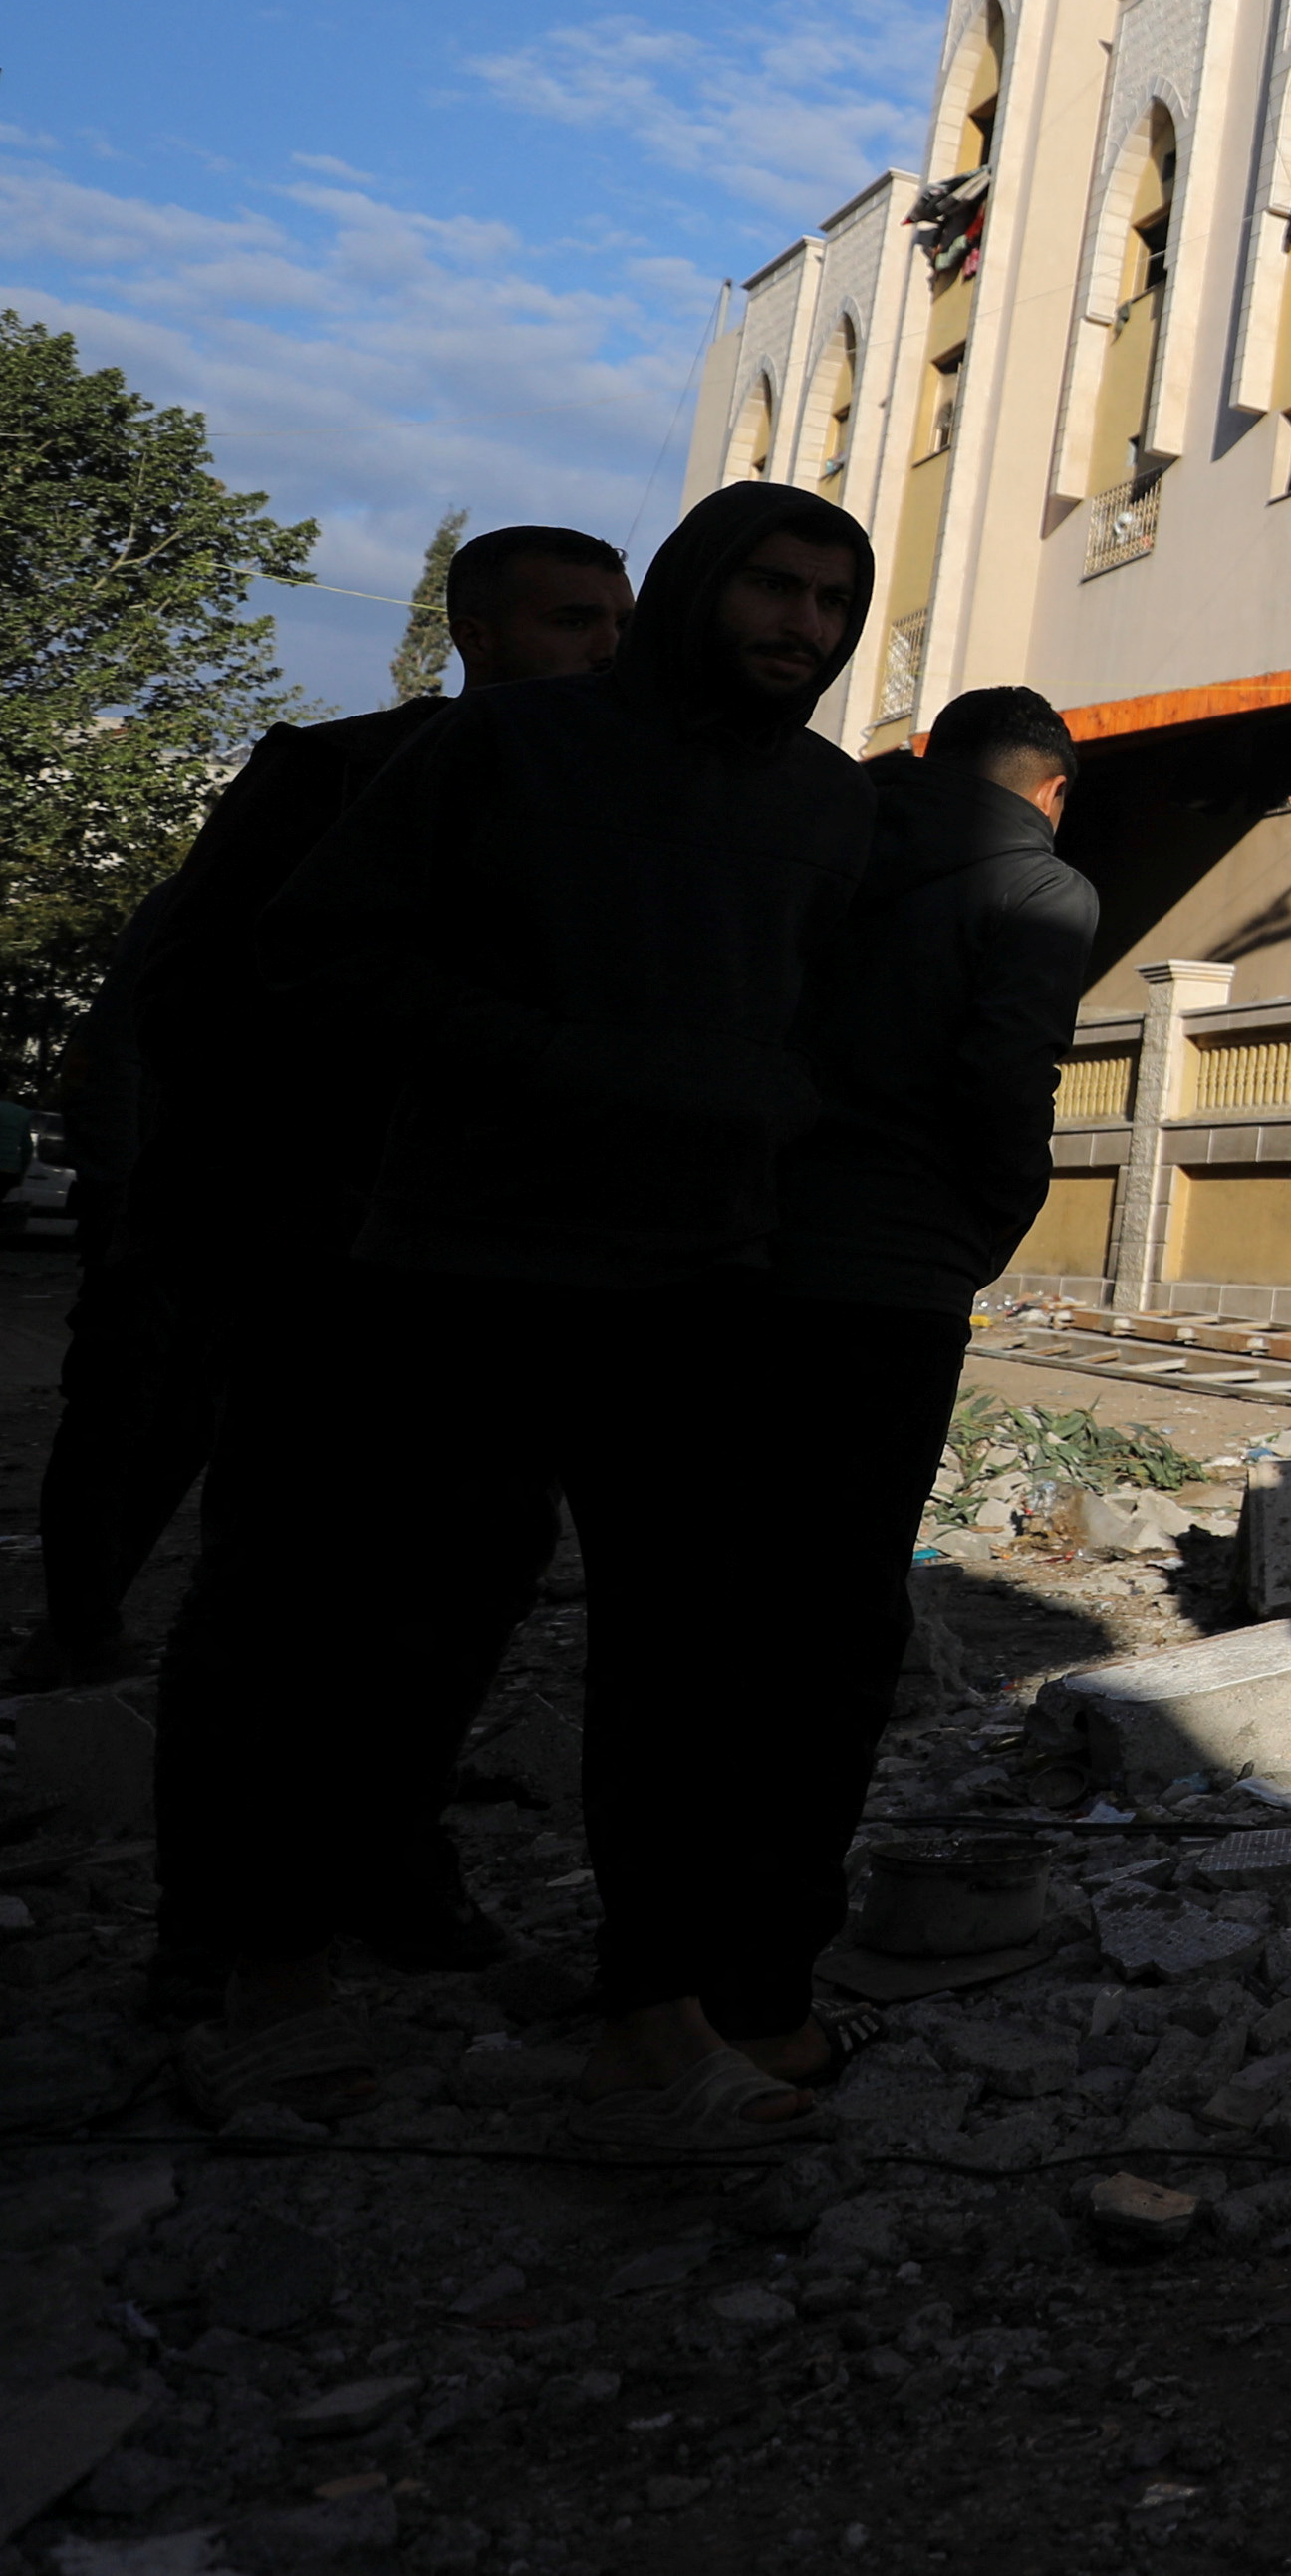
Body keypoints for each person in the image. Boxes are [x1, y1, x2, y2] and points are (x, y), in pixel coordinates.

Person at [187, 484, 875, 2148]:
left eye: (832, 601)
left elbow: (831, 1028)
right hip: (467, 1268)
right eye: (773, 587)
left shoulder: (829, 802)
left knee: (684, 1664)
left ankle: (653, 2017)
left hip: (699, 1288)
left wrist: (787, 1131)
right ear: (699, 586)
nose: (802, 625)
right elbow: (321, 956)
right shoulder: (503, 748)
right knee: (373, 1626)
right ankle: (261, 1977)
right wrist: (569, 1065)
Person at [36, 528, 638, 1706]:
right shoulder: (339, 770)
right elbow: (190, 985)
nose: (607, 649)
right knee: (181, 1445)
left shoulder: (612, 808)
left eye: (620, 623)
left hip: (473, 1237)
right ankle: (87, 1649)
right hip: (273, 1210)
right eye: (573, 620)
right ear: (476, 634)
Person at [725, 683, 1096, 2085]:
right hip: (886, 1277)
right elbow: (1007, 1079)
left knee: (711, 1607)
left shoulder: (818, 834)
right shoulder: (1037, 886)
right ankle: (767, 1992)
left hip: (730, 1252)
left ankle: (660, 1969)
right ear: (1050, 787)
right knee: (834, 1626)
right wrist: (982, 1225)